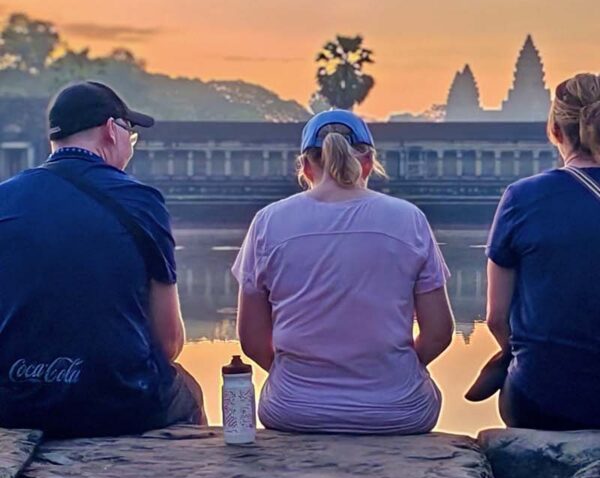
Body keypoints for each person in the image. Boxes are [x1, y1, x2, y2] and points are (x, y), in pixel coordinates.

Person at [0, 80, 205, 437]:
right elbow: (168, 342)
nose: (131, 144)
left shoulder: (5, 199)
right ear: (112, 130)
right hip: (119, 402)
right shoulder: (140, 201)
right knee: (189, 390)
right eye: (132, 133)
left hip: (15, 403)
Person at [233, 109, 454, 434]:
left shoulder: (268, 222)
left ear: (306, 167)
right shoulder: (408, 219)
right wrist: (399, 369)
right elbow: (439, 333)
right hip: (398, 411)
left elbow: (251, 340)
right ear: (367, 163)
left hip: (294, 410)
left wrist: (293, 375)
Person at [486, 72, 600, 430]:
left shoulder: (522, 198)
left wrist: (514, 353)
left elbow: (495, 317)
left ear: (554, 131)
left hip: (540, 400)